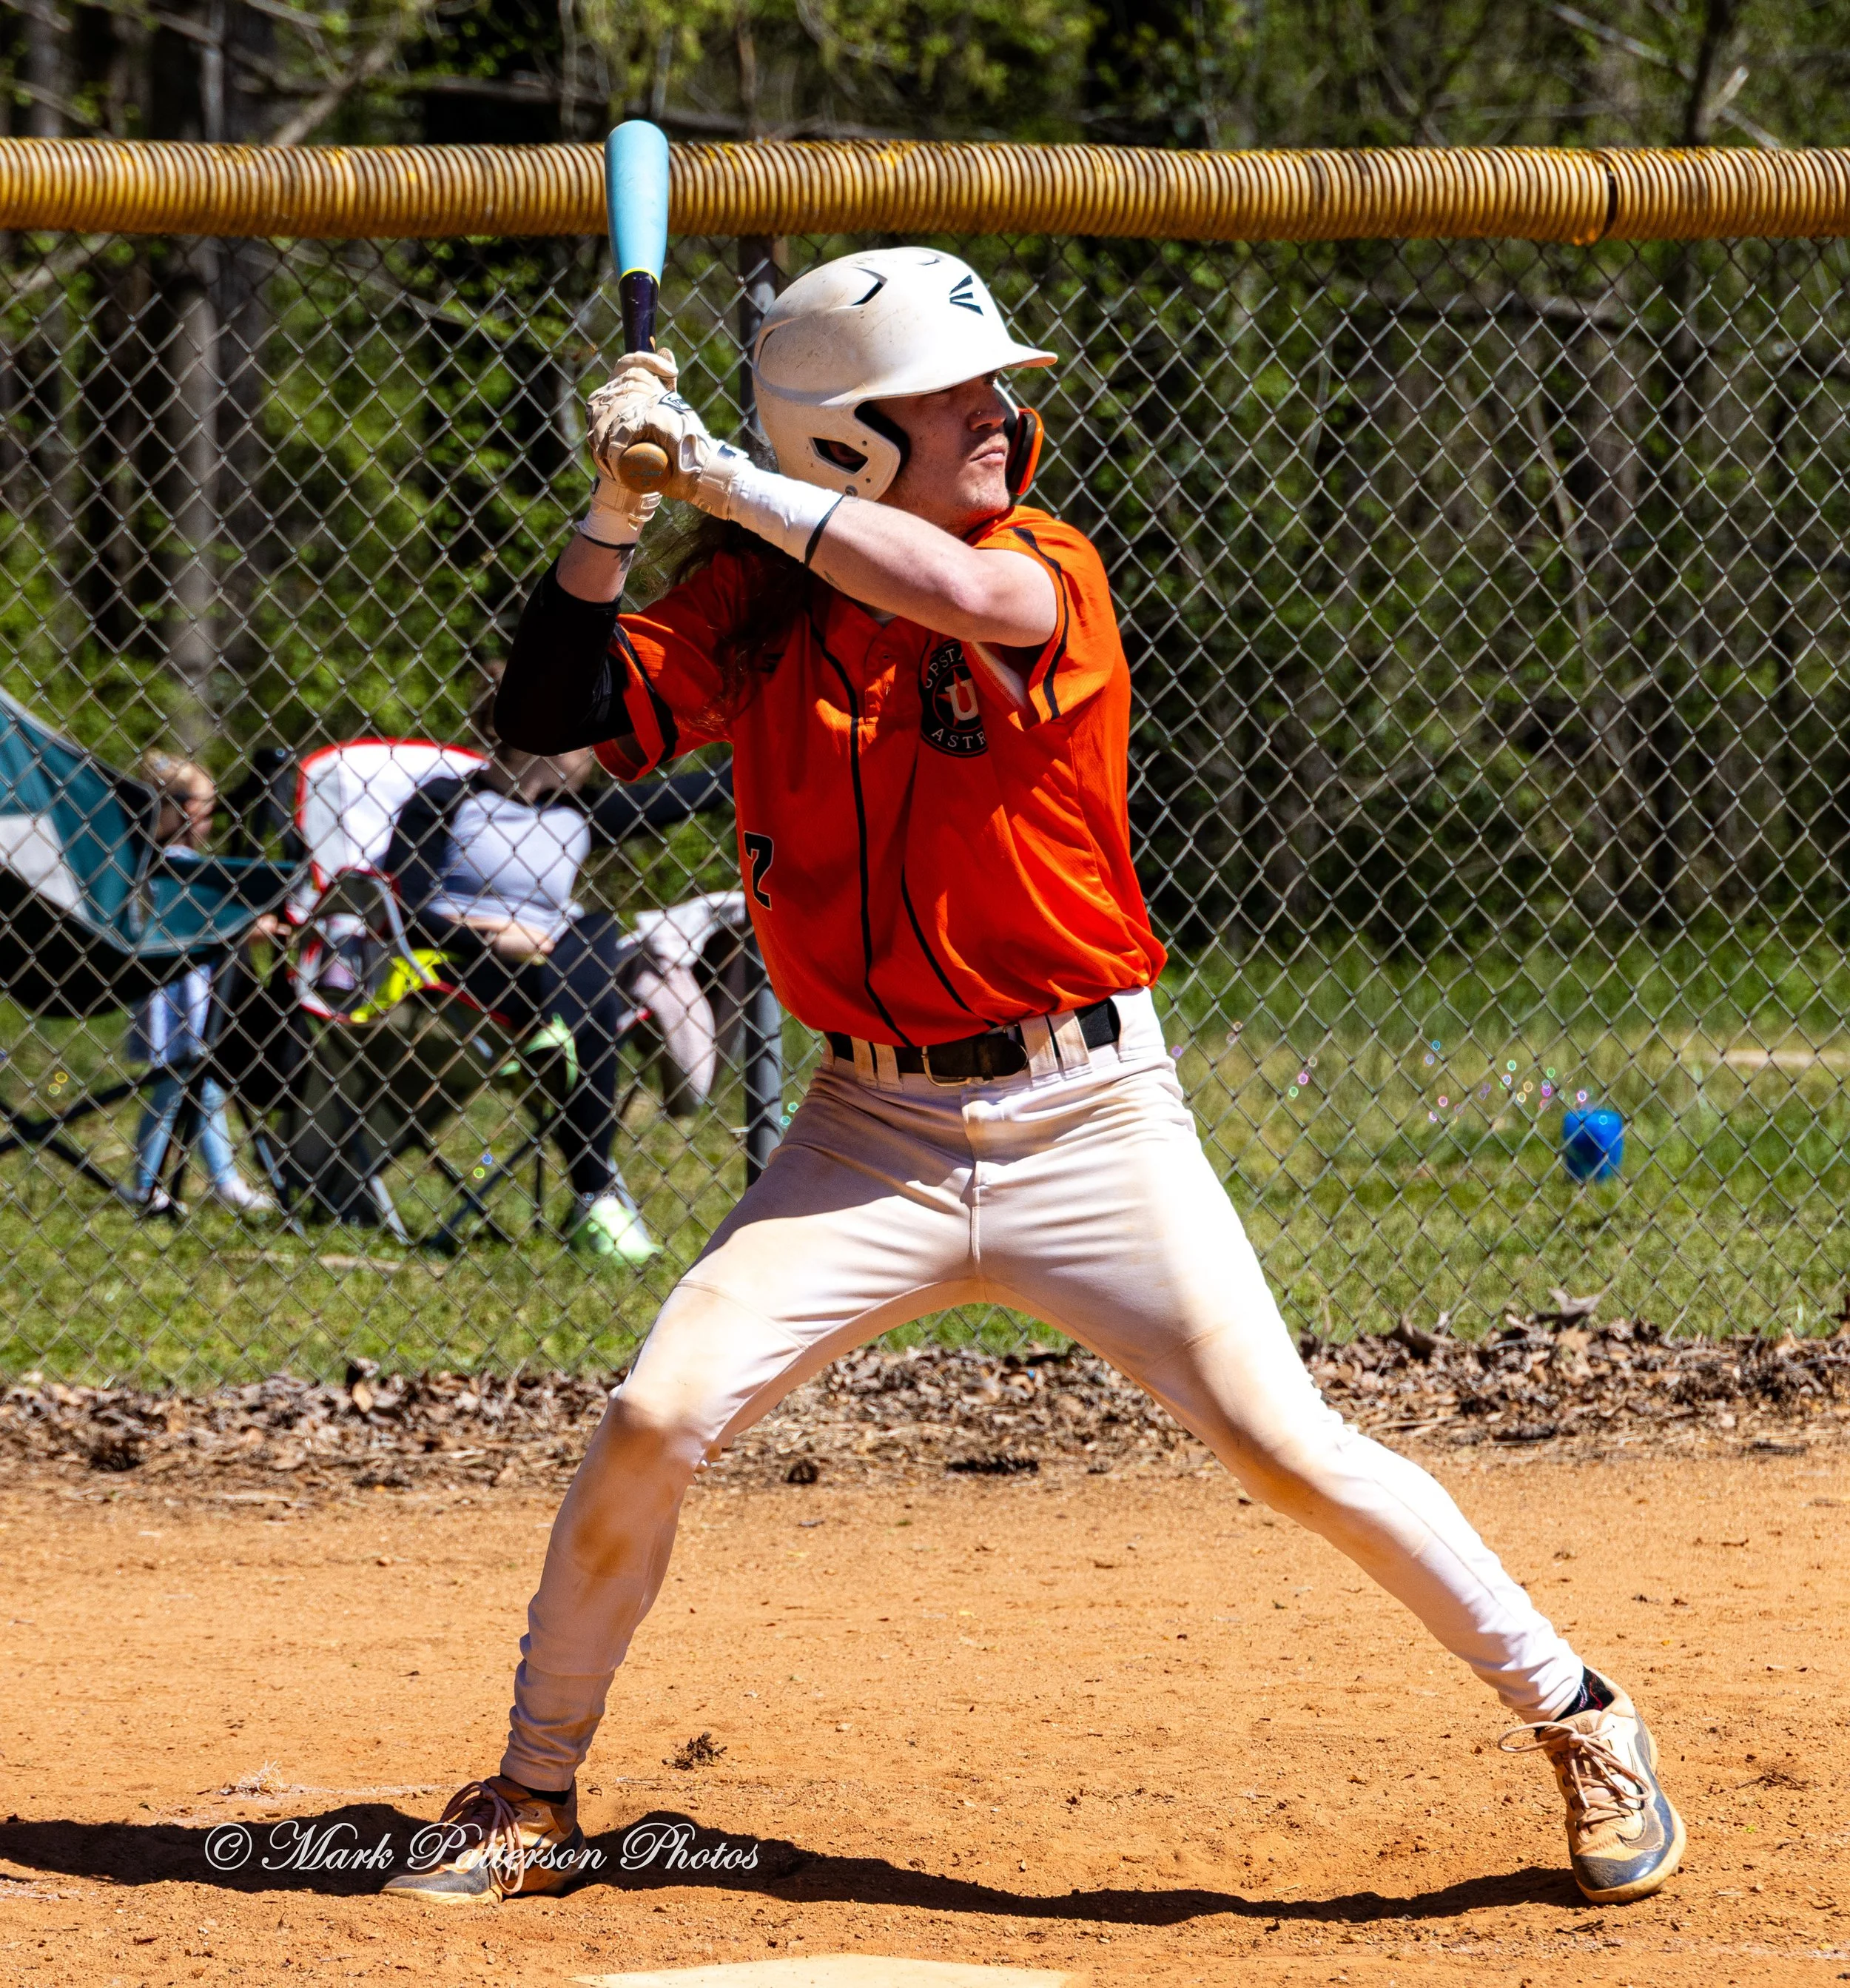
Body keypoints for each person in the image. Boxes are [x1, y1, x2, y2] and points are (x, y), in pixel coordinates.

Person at [383, 249, 1684, 1908]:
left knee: (1286, 1446)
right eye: (956, 395)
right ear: (849, 439)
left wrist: (717, 469)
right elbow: (540, 719)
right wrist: (617, 509)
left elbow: (971, 604)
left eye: (993, 387)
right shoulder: (749, 612)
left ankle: (1579, 1712)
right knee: (655, 1412)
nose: (1003, 415)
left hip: (1087, 1117)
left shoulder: (1041, 565)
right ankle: (529, 1790)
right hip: (863, 1132)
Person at [383, 728, 732, 1263]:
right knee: (590, 969)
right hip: (463, 972)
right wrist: (494, 936)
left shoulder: (579, 812)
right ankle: (596, 1196)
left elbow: (685, 795)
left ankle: (561, 1041)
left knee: (595, 930)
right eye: (588, 740)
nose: (600, 754)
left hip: (556, 975)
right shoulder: (447, 801)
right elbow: (400, 907)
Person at [125, 753, 275, 1218]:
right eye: (207, 805)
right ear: (181, 809)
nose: (213, 816)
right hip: (174, 993)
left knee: (204, 1086)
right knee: (174, 1089)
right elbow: (194, 920)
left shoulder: (165, 857)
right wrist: (247, 925)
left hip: (190, 987)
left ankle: (223, 1180)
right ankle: (145, 1184)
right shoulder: (170, 862)